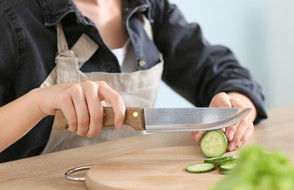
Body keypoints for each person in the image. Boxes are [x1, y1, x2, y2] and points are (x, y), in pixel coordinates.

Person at [0, 0, 267, 162]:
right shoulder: (12, 16)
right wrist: (38, 102)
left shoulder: (150, 7)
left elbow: (219, 70)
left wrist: (237, 106)